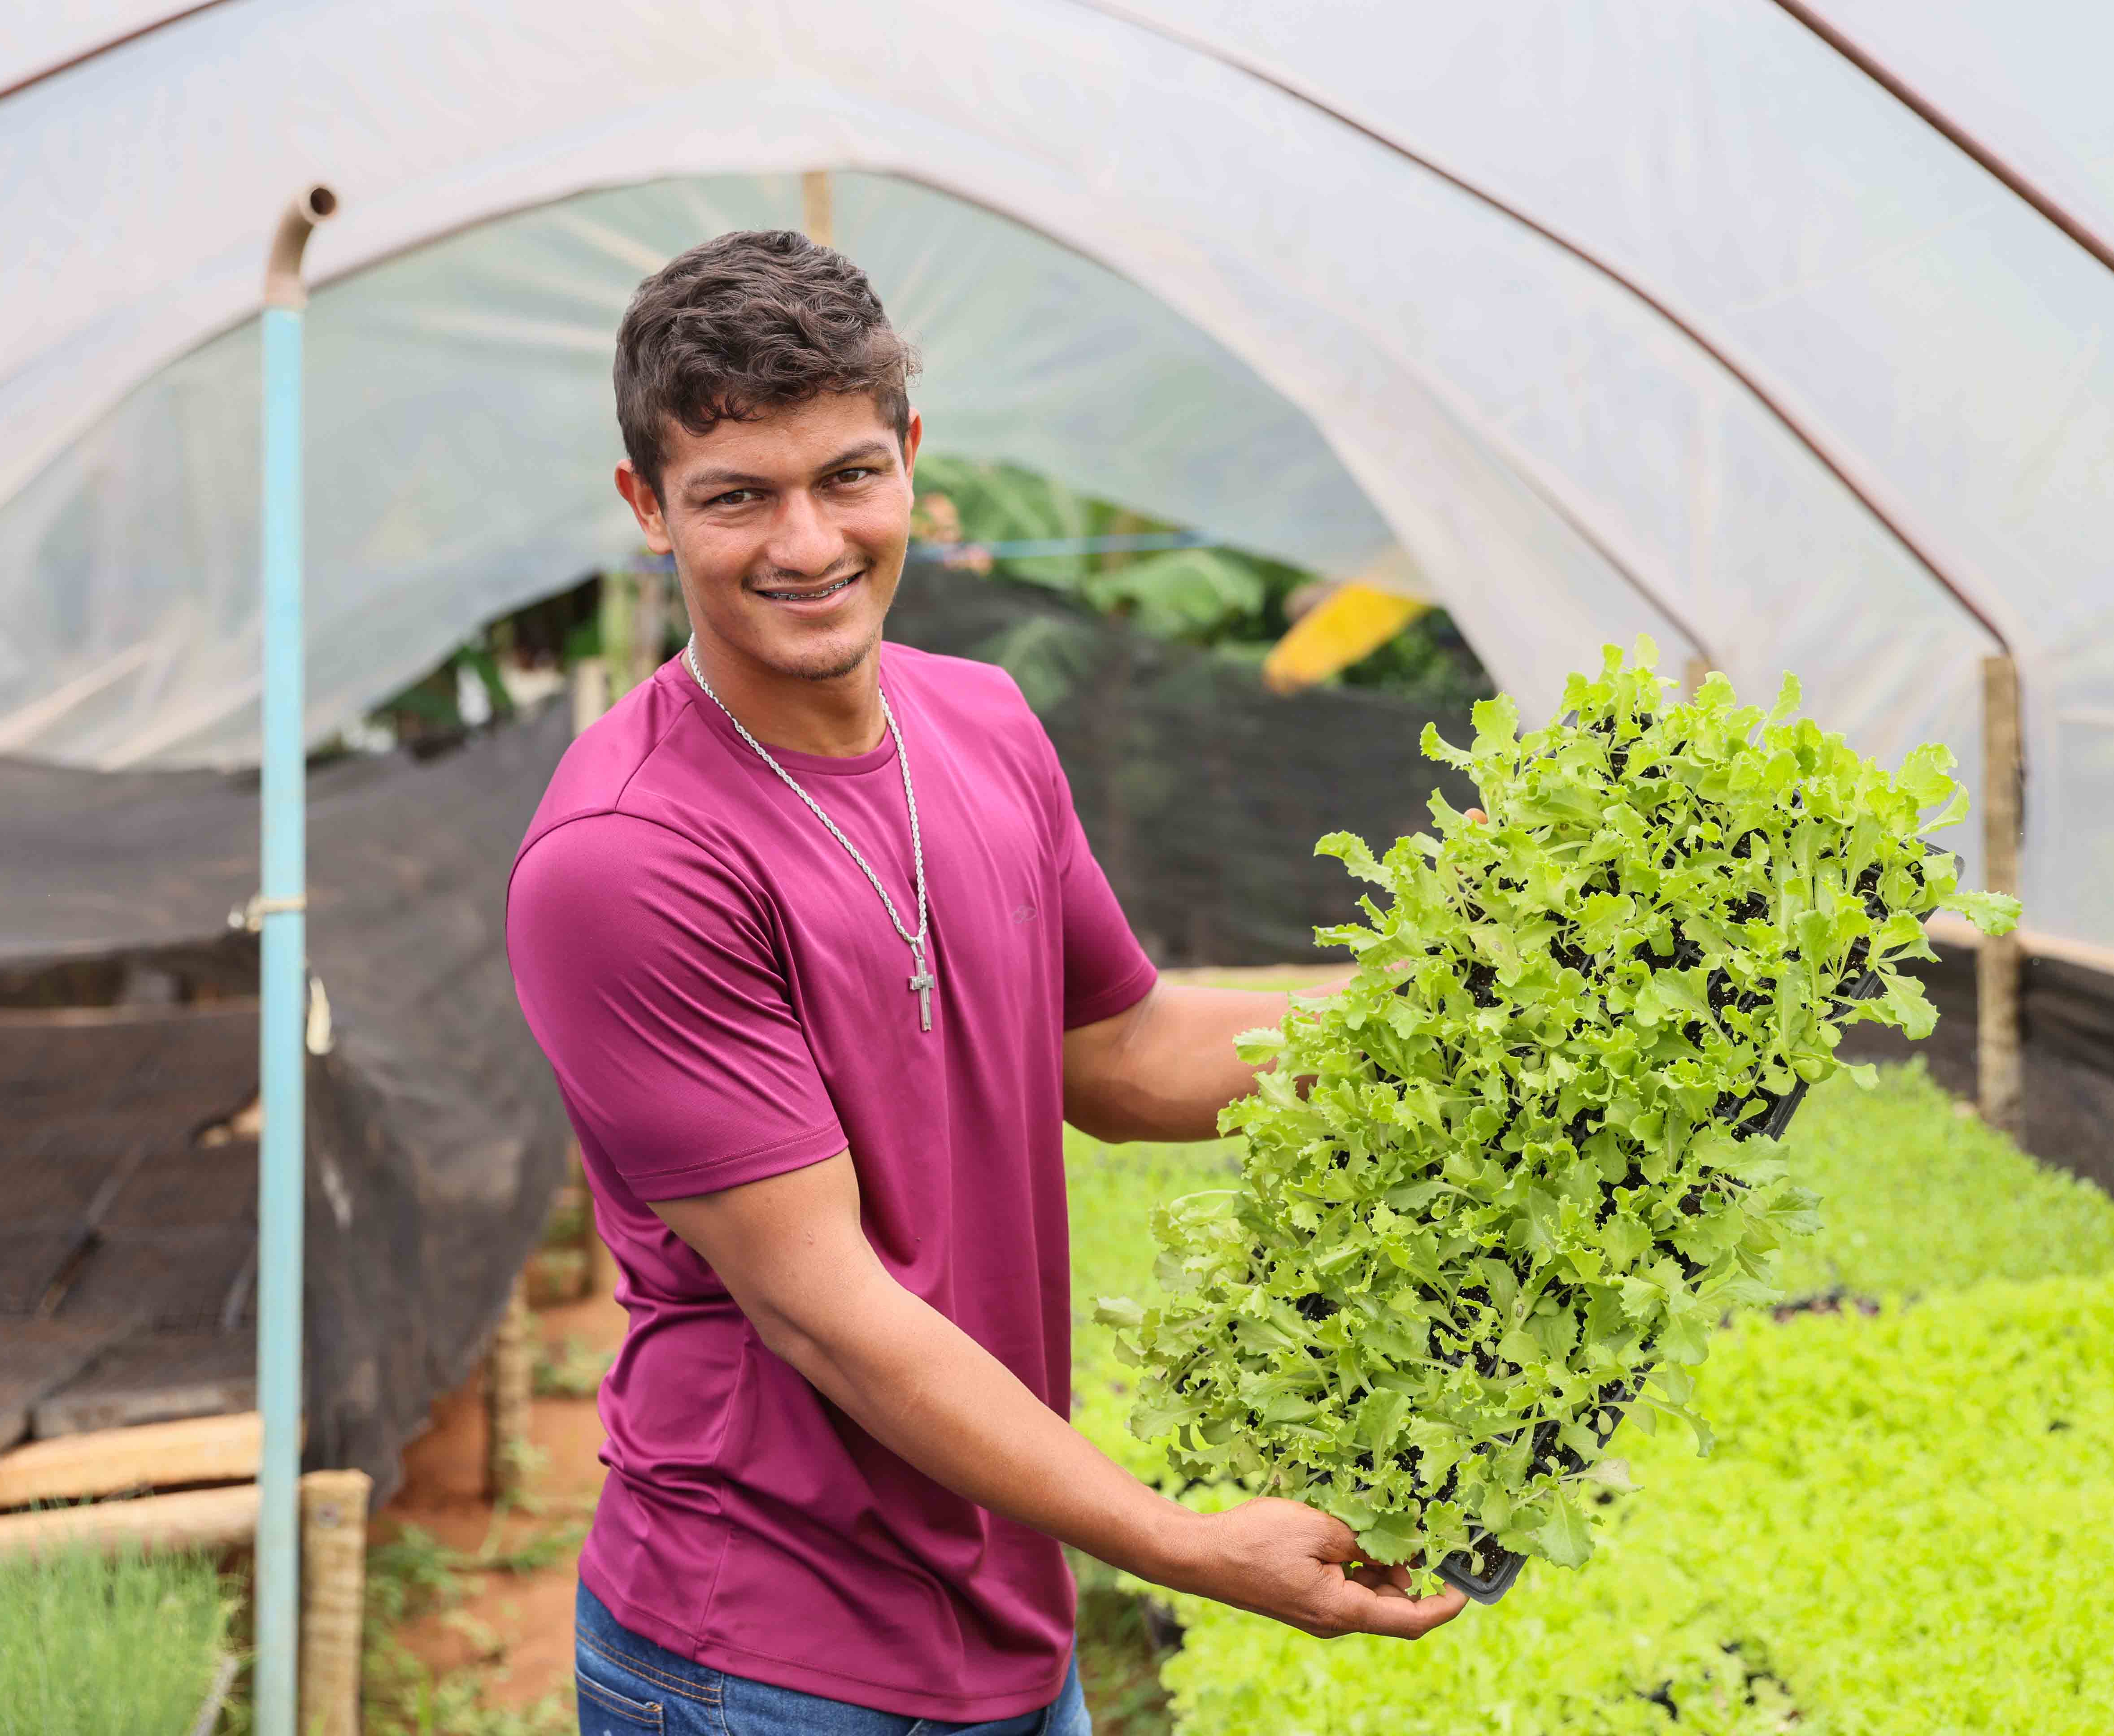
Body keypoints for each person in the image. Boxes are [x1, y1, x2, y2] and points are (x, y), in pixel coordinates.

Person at [506, 229, 1464, 1736]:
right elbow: (828, 1313)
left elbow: (1123, 1051)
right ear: (648, 506)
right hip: (769, 1656)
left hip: (1009, 1610)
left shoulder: (984, 722)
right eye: (739, 496)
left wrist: (1457, 1033)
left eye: (847, 476)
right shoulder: (627, 857)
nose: (808, 543)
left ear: (910, 461)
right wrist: (1185, 1545)